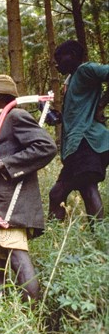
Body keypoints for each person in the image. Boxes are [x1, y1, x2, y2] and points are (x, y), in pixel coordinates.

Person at [0, 75, 57, 302]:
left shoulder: (16, 116)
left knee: (19, 260)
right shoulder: (0, 125)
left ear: (1, 98)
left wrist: (1, 164)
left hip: (6, 209)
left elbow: (46, 147)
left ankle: (34, 322)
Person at [48, 40, 109, 225]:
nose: (56, 64)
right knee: (58, 192)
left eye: (59, 58)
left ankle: (100, 240)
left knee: (86, 187)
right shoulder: (73, 79)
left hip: (87, 142)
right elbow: (76, 113)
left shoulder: (84, 70)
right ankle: (57, 239)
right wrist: (57, 117)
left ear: (73, 54)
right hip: (79, 146)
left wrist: (101, 105)